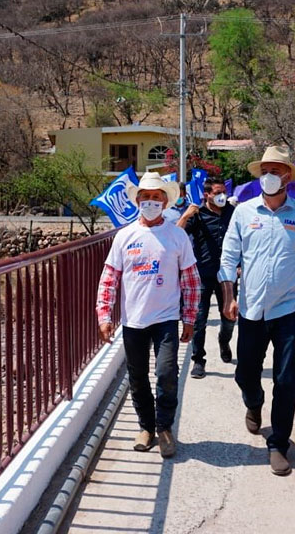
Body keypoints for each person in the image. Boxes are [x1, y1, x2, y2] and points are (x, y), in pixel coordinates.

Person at [218, 146, 295, 476]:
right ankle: (254, 402)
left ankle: (279, 443)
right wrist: (228, 297)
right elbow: (228, 260)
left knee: (286, 379)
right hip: (251, 309)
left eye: (276, 170)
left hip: (288, 309)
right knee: (245, 372)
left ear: (287, 177)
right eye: (264, 170)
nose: (269, 175)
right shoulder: (244, 213)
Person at [96, 172, 201, 458]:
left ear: (166, 202)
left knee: (167, 372)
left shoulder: (177, 236)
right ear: (138, 201)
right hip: (134, 320)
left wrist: (189, 318)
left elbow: (190, 280)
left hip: (166, 318)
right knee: (137, 376)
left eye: (157, 197)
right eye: (146, 197)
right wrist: (104, 315)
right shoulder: (124, 236)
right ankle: (146, 426)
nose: (151, 202)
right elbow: (109, 278)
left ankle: (165, 427)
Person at [176, 177, 237, 379]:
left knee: (229, 318)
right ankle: (198, 360)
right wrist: (186, 215)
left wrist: (241, 265)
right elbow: (175, 235)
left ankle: (224, 340)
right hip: (201, 275)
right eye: (217, 192)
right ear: (207, 194)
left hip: (227, 276)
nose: (222, 196)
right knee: (199, 319)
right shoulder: (198, 214)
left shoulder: (233, 212)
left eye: (223, 192)